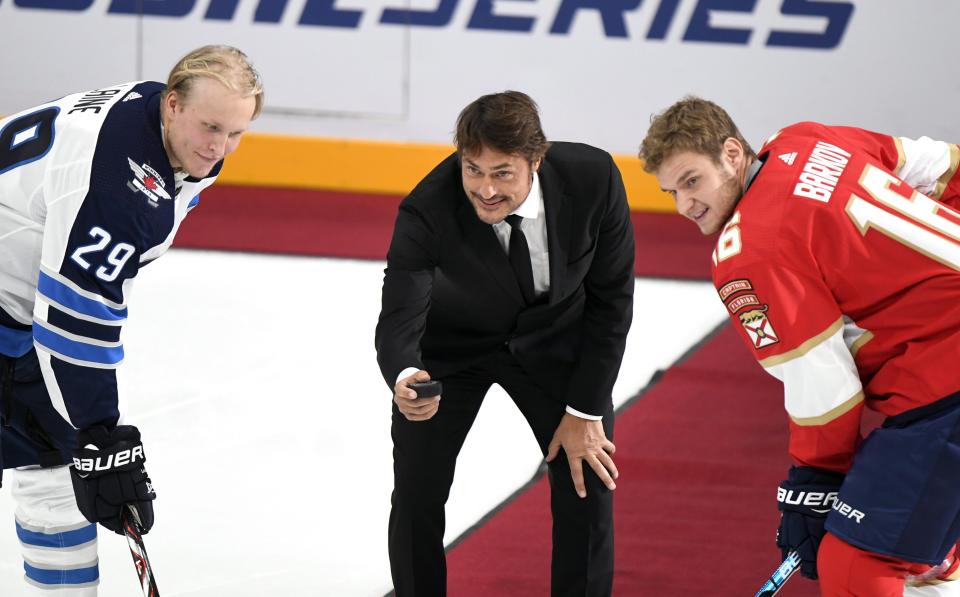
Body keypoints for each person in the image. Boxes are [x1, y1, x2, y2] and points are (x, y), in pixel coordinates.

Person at [639, 97, 960, 596]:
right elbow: (943, 166)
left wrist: (814, 480)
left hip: (946, 378)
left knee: (856, 559)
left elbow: (825, 386)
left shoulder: (749, 253)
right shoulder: (807, 139)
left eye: (691, 181)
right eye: (670, 191)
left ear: (730, 153)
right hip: (942, 372)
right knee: (924, 548)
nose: (684, 206)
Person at [0, 45, 263, 595]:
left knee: (51, 468)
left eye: (236, 133)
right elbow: (72, 321)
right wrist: (99, 431)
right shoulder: (121, 184)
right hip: (11, 309)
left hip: (13, 306)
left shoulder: (157, 127)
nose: (219, 147)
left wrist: (92, 434)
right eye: (210, 126)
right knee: (54, 475)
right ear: (173, 105)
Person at [375, 91, 635, 596]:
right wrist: (406, 375)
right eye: (473, 170)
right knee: (416, 495)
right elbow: (399, 312)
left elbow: (612, 302)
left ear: (536, 160)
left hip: (559, 344)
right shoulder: (427, 209)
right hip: (451, 351)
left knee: (588, 484)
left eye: (502, 173)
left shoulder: (594, 179)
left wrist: (584, 411)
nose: (485, 189)